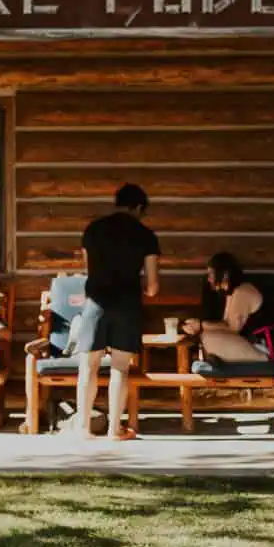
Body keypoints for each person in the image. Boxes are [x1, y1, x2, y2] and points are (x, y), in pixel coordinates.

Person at [72, 183, 160, 440]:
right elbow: (153, 287)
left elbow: (89, 270)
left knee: (88, 366)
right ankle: (114, 430)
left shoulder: (93, 230)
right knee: (120, 367)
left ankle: (83, 428)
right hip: (127, 304)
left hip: (96, 303)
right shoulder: (145, 235)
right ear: (139, 207)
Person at [184, 252, 274, 365]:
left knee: (210, 339)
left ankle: (265, 361)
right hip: (249, 344)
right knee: (207, 337)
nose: (209, 279)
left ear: (225, 274)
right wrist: (200, 328)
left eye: (211, 274)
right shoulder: (231, 294)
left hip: (262, 348)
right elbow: (225, 325)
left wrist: (201, 326)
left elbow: (232, 328)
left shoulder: (242, 292)